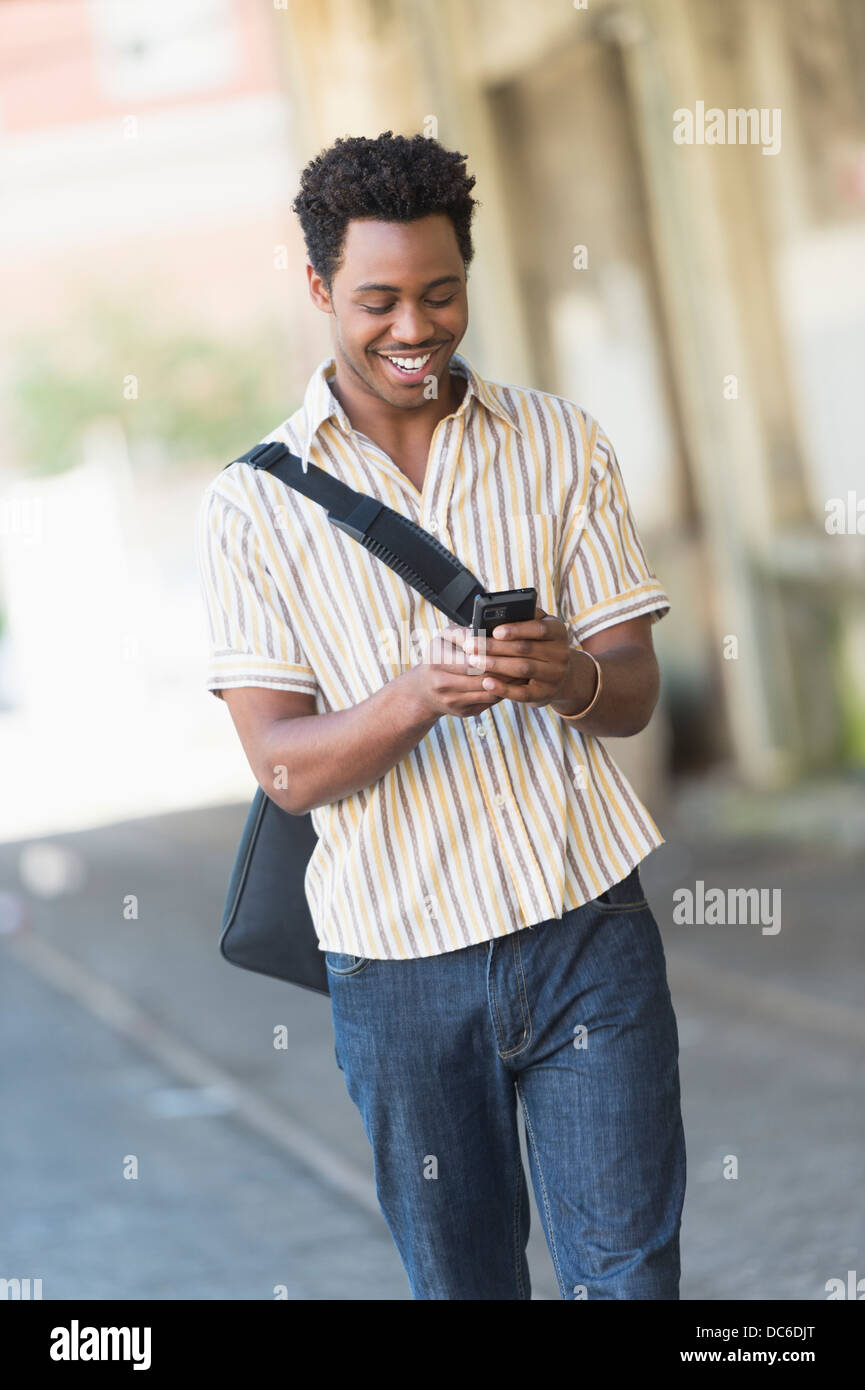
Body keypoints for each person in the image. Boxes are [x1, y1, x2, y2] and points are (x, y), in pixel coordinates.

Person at [195, 131, 686, 1301]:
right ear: (319, 291)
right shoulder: (250, 508)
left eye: (439, 292)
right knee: (464, 1285)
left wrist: (567, 673)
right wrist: (423, 692)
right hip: (397, 972)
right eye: (376, 301)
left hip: (588, 934)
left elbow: (633, 689)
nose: (412, 329)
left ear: (469, 275)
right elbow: (285, 770)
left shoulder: (561, 442)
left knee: (629, 1279)